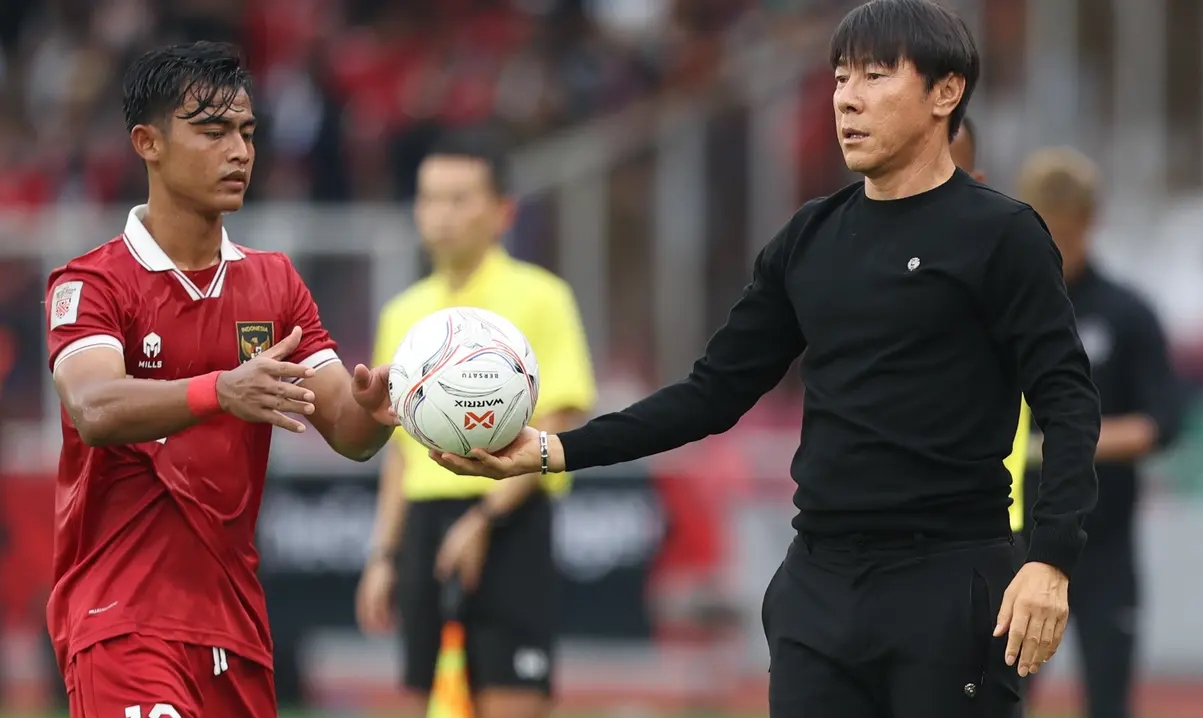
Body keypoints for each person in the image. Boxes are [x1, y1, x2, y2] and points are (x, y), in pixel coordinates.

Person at [432, 2, 1103, 717]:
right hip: (819, 584)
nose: (846, 98)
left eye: (875, 76)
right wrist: (550, 450)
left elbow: (1068, 400)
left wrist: (1050, 556)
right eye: (840, 78)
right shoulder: (809, 238)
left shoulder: (1003, 235)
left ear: (945, 92)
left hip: (947, 580)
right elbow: (710, 394)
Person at [44, 42, 398, 718]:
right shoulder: (92, 283)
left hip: (234, 624)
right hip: (122, 618)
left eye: (247, 132)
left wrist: (382, 410)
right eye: (212, 132)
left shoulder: (274, 282)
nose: (238, 152)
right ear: (148, 143)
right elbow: (94, 406)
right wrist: (221, 390)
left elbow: (348, 433)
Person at [356, 129, 596, 718]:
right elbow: (398, 449)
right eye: (429, 198)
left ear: (502, 211)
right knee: (419, 703)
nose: (441, 215)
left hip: (511, 523)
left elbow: (561, 419)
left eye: (459, 199)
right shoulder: (403, 314)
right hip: (423, 525)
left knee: (512, 702)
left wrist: (485, 518)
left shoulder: (543, 297)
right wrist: (384, 554)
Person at [1016, 147, 1183, 718]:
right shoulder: (1004, 313)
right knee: (1001, 697)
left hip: (1103, 541)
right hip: (1017, 541)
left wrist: (1061, 446)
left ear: (1090, 222)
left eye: (1065, 231)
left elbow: (1163, 422)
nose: (1055, 246)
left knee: (1109, 700)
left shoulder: (1126, 313)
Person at [951, 117, 1033, 544]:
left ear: (977, 182)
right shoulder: (857, 272)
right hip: (877, 542)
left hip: (988, 533)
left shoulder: (1009, 283)